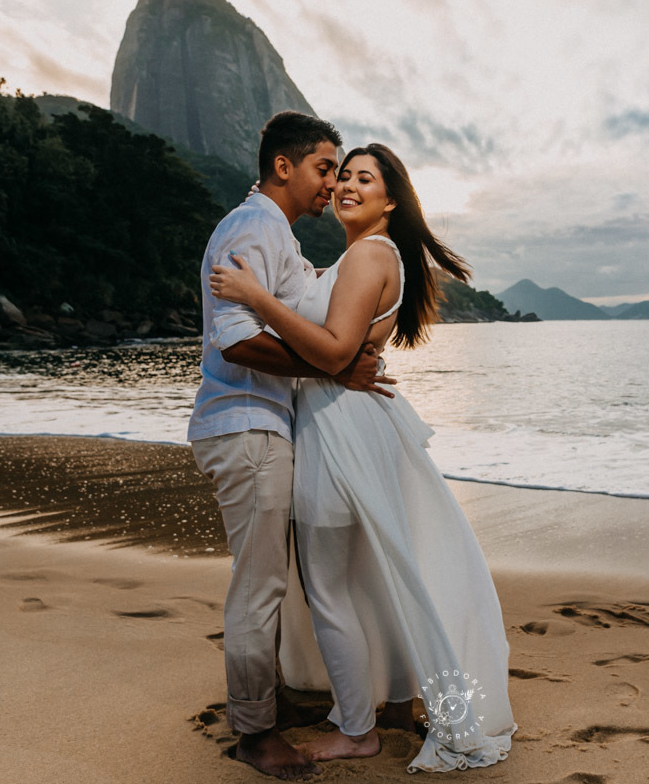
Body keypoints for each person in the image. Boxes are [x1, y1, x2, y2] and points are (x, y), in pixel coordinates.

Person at [209, 143, 517, 772]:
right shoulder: (359, 258)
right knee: (367, 578)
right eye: (342, 175)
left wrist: (254, 296)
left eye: (362, 179)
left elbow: (332, 352)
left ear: (391, 199)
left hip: (338, 431)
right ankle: (394, 702)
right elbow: (339, 349)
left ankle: (357, 730)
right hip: (343, 424)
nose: (347, 185)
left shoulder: (369, 255)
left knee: (328, 587)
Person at [187, 112, 394, 782]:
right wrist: (332, 367)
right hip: (246, 424)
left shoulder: (276, 236)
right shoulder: (252, 229)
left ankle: (267, 700)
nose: (332, 181)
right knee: (261, 584)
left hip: (260, 423)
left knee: (268, 580)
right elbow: (236, 338)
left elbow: (312, 311)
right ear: (285, 167)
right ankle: (255, 731)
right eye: (325, 167)